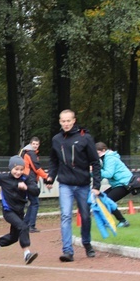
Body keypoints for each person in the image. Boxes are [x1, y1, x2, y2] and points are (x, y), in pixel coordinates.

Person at [45, 109, 101, 262]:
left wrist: (96, 186)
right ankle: (67, 251)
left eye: (68, 120)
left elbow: (95, 162)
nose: (66, 124)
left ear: (74, 120)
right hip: (65, 185)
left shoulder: (85, 138)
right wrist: (50, 177)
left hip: (83, 185)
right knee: (65, 216)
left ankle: (87, 243)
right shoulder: (56, 139)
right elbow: (54, 161)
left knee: (85, 216)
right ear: (60, 122)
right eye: (63, 121)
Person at [0, 155, 39, 265]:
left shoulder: (26, 179)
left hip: (19, 212)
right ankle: (27, 254)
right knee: (24, 227)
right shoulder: (3, 178)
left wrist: (27, 188)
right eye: (16, 169)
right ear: (10, 168)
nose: (18, 172)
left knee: (14, 237)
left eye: (21, 170)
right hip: (8, 211)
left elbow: (36, 191)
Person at [95, 142, 133, 227]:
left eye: (98, 153)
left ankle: (123, 221)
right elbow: (101, 175)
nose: (97, 156)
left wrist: (95, 171)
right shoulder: (105, 159)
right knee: (101, 199)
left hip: (125, 184)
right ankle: (108, 221)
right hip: (117, 184)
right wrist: (92, 173)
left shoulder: (109, 158)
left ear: (103, 150)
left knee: (108, 200)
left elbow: (108, 174)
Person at [19, 137, 49, 232]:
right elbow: (37, 168)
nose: (35, 146)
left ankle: (26, 223)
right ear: (30, 144)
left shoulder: (25, 152)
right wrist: (46, 177)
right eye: (34, 144)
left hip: (26, 179)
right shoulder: (31, 153)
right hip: (29, 180)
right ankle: (31, 225)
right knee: (35, 203)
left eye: (37, 144)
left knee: (32, 202)